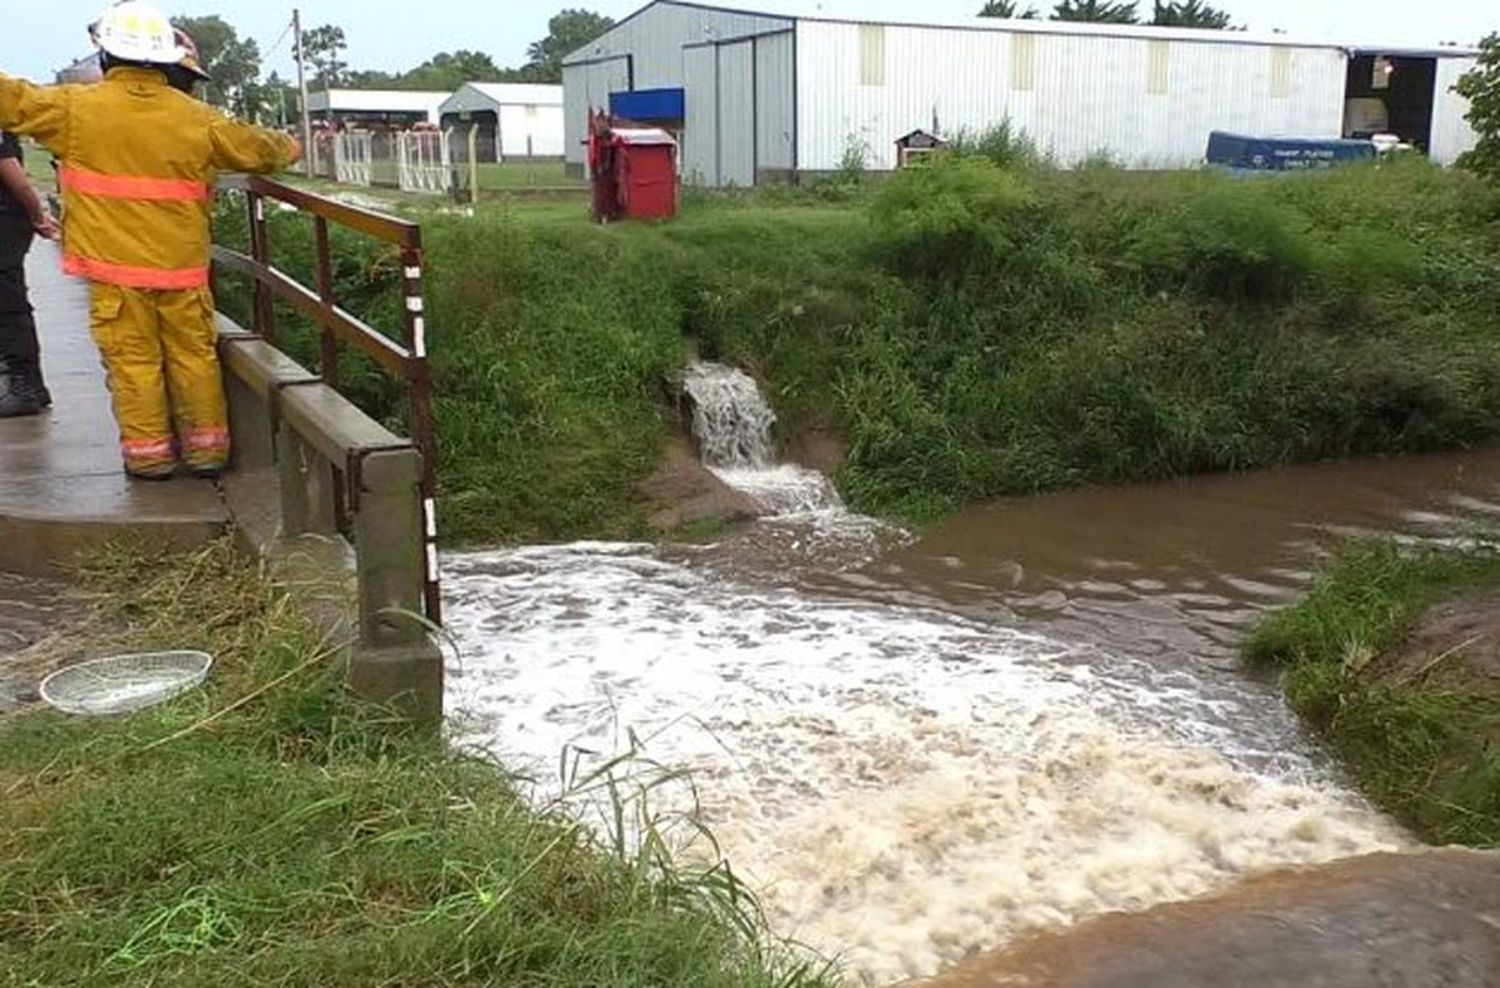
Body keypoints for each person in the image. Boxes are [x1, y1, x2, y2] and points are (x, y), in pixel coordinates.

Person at [0, 2, 301, 479]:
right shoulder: (197, 118)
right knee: (193, 358)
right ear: (166, 60)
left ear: (106, 58)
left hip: (114, 272)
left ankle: (150, 458)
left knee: (134, 363)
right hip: (181, 268)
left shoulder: (74, 109)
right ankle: (207, 452)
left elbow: (12, 98)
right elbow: (261, 149)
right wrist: (290, 144)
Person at [0, 131, 58, 418]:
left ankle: (24, 388)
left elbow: (14, 175)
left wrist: (38, 217)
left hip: (4, 222)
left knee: (8, 307)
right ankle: (29, 386)